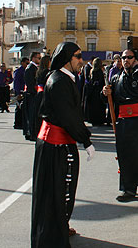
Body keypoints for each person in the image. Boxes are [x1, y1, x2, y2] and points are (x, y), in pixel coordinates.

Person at [31, 42, 93, 247]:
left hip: (60, 143)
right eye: (77, 56)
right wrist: (86, 140)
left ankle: (59, 226)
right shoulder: (59, 81)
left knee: (60, 192)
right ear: (67, 59)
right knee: (56, 193)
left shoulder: (63, 79)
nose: (81, 60)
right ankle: (52, 236)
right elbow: (68, 117)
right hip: (55, 146)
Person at [103, 49, 138, 201]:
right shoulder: (116, 77)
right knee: (126, 155)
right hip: (125, 121)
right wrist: (105, 93)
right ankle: (128, 188)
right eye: (124, 57)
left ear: (135, 59)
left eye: (129, 57)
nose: (126, 60)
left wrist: (137, 69)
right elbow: (112, 98)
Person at [83, 58, 107, 126]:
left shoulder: (91, 71)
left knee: (93, 107)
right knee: (99, 107)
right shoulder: (99, 71)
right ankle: (99, 119)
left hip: (92, 92)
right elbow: (100, 81)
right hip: (98, 91)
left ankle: (93, 119)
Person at [23, 52, 41, 140]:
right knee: (31, 116)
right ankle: (31, 134)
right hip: (31, 95)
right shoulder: (30, 68)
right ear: (33, 58)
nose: (39, 60)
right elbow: (30, 83)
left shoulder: (34, 68)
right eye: (38, 58)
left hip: (33, 95)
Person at [13, 57, 29, 130]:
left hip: (25, 92)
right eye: (26, 63)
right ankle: (17, 123)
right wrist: (18, 92)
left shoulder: (27, 70)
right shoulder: (19, 71)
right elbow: (16, 82)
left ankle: (22, 123)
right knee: (19, 108)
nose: (27, 64)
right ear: (22, 63)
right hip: (20, 91)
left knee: (23, 108)